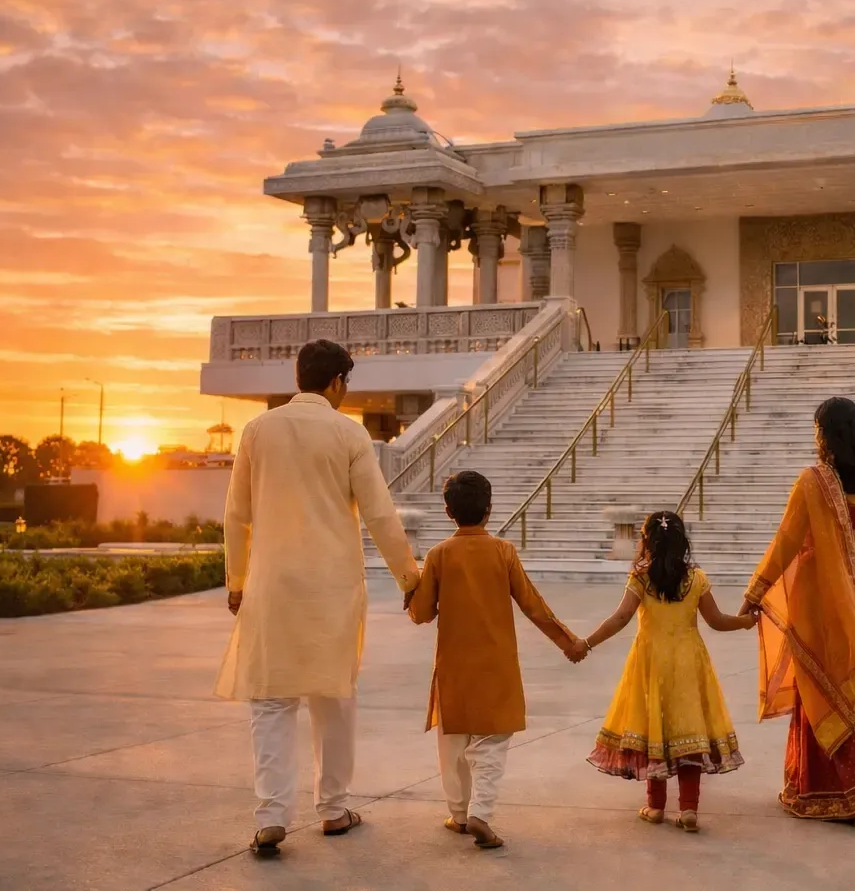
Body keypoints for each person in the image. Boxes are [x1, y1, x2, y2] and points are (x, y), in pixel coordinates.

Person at [215, 339, 422, 857]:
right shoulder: (347, 433)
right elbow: (379, 515)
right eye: (346, 381)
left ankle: (271, 817)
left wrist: (237, 581)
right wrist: (410, 578)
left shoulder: (257, 431)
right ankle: (332, 809)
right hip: (330, 587)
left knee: (271, 700)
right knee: (333, 697)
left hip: (272, 585)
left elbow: (236, 516)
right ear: (335, 383)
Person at [742, 396, 855, 831]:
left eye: (818, 430)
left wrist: (756, 591)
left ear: (827, 436)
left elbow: (786, 543)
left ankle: (854, 798)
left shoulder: (814, 483)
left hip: (836, 602)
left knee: (833, 686)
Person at [407, 470, 587, 849]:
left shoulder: (439, 554)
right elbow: (533, 605)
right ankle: (481, 813)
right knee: (490, 745)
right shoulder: (503, 551)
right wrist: (568, 641)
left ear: (447, 511)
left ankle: (458, 815)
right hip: (496, 665)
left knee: (452, 742)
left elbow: (422, 614)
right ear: (489, 510)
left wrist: (412, 587)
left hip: (453, 666)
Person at [581, 511, 755, 833]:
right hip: (689, 661)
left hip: (650, 661)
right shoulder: (695, 578)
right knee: (689, 731)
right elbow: (717, 621)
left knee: (654, 729)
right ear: (682, 541)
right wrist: (745, 622)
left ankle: (655, 806)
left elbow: (620, 618)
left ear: (646, 541)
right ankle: (689, 809)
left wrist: (586, 643)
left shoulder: (641, 577)